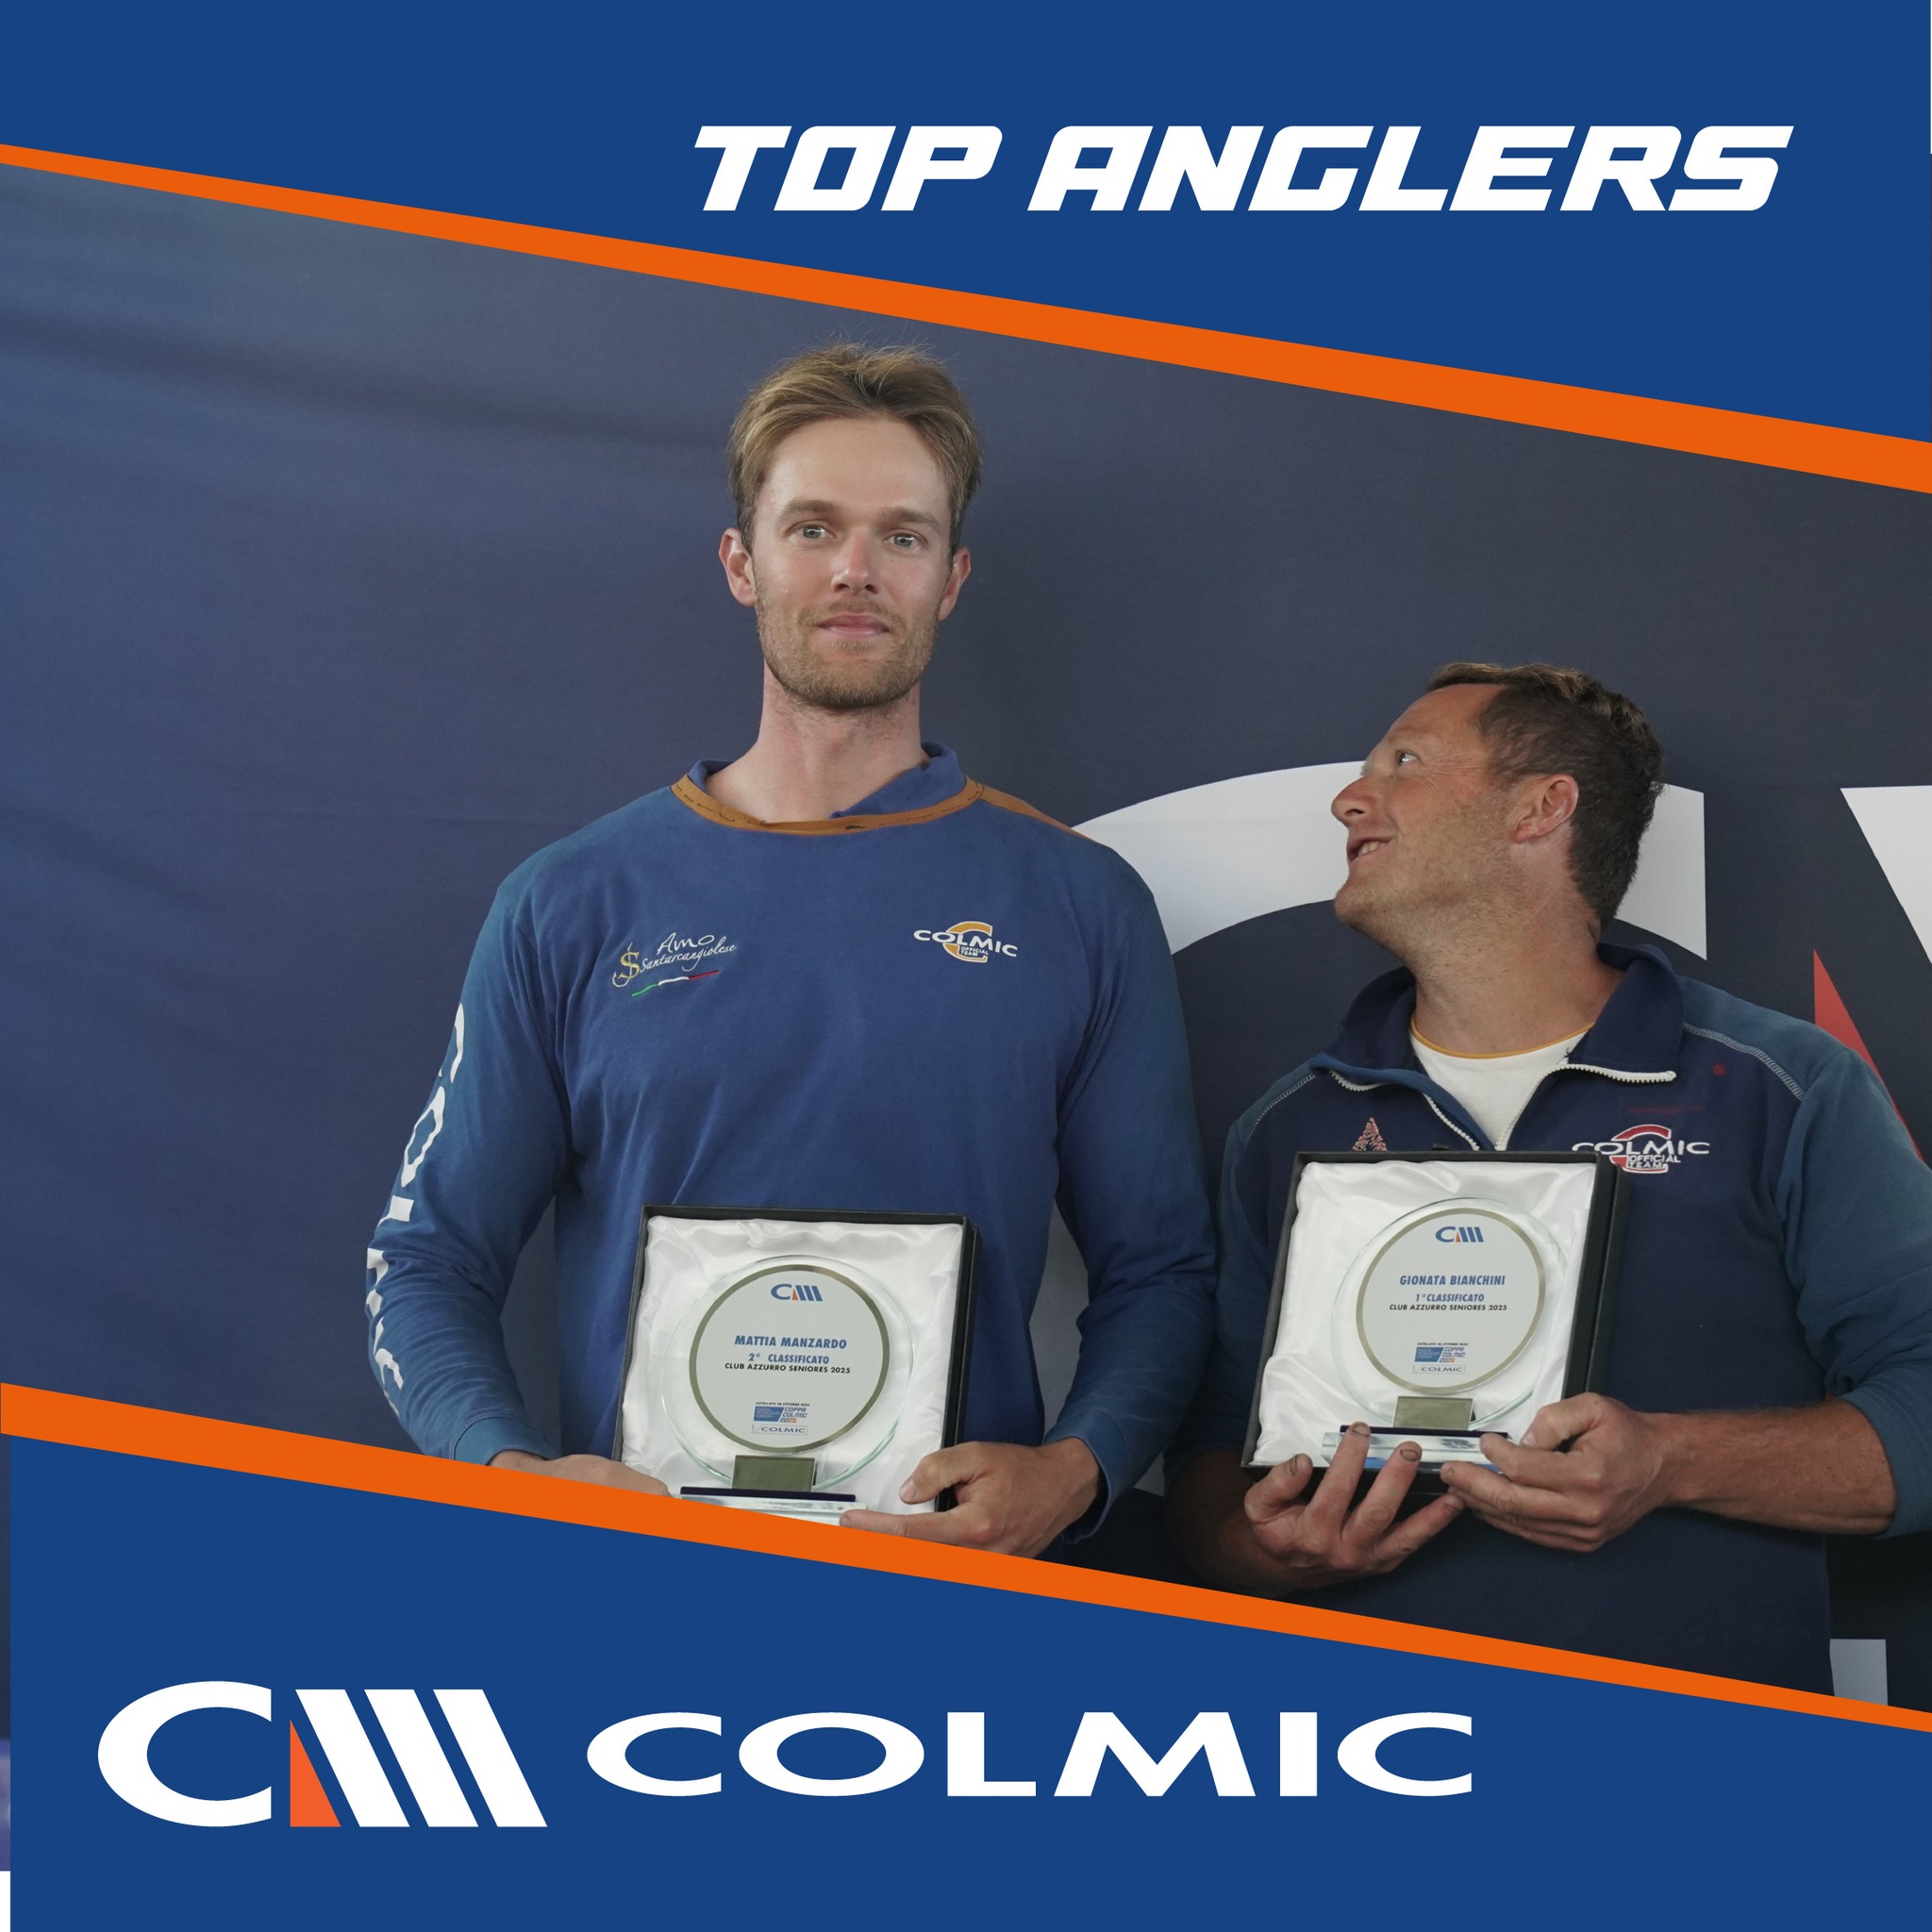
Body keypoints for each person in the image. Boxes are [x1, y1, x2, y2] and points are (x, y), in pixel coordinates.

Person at [364, 343, 1215, 1557]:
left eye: (902, 535)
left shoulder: (1078, 902)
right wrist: (508, 1471)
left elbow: (1163, 1272)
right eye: (811, 528)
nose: (855, 569)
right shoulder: (571, 901)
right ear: (741, 561)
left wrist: (1074, 1471)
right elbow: (426, 1257)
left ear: (950, 578)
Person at [1167, 663, 1932, 1690]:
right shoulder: (1286, 1124)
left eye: (1403, 763)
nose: (1349, 799)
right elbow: (1212, 1449)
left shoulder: (1781, 1087)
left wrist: (1669, 1463)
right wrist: (1256, 1547)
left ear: (1541, 808)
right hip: (1377, 1750)